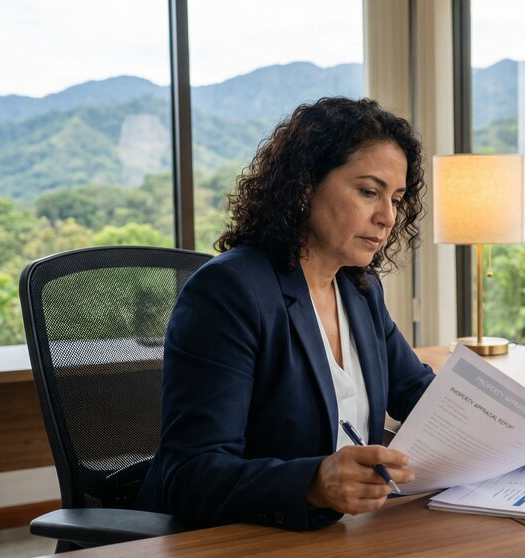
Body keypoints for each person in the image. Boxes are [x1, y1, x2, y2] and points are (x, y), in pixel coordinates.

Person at [135, 97, 435, 530]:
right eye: (369, 192)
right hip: (239, 539)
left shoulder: (359, 290)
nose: (388, 217)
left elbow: (422, 393)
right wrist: (314, 482)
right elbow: (191, 475)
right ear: (305, 185)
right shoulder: (229, 292)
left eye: (397, 198)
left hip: (340, 534)